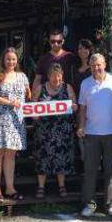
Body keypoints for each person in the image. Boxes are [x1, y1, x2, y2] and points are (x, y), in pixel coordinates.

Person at [77, 53, 112, 219]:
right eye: (93, 65)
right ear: (89, 66)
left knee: (111, 170)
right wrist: (81, 126)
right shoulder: (85, 83)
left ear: (105, 64)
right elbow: (82, 108)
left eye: (99, 64)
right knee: (90, 170)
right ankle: (89, 204)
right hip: (91, 132)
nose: (96, 68)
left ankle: (111, 204)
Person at [0, 47, 31, 203]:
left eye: (13, 59)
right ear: (3, 60)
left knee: (11, 156)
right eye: (8, 59)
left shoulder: (22, 76)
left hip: (15, 122)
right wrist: (9, 102)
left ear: (16, 60)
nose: (11, 62)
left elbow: (28, 94)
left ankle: (10, 187)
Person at [32, 63, 78, 199]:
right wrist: (34, 114)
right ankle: (41, 187)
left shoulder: (67, 87)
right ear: (48, 77)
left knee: (62, 159)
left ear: (62, 76)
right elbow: (33, 103)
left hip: (63, 131)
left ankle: (62, 186)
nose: (56, 80)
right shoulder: (40, 88)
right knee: (42, 158)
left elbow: (74, 104)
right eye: (53, 78)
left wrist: (74, 106)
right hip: (44, 131)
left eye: (59, 77)